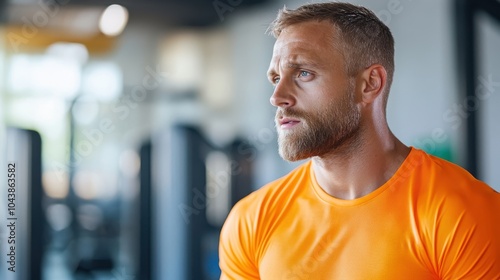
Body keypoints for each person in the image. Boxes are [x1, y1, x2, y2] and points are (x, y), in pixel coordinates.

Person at [219, 2, 500, 279]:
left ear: (369, 84)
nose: (277, 96)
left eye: (303, 73)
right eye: (276, 77)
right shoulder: (251, 220)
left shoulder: (464, 213)